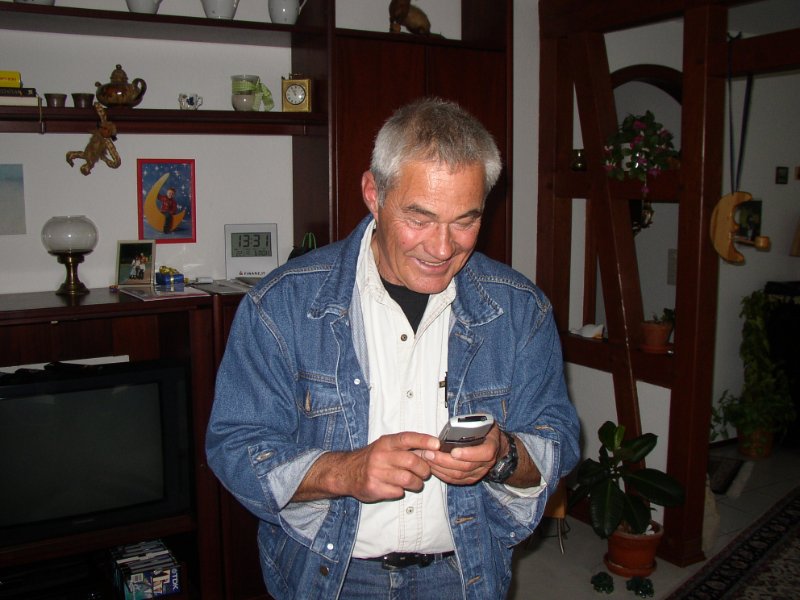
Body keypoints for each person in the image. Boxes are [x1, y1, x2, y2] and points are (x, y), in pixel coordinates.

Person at [206, 97, 580, 600]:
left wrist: (503, 455)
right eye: (420, 218)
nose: (442, 248)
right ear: (373, 193)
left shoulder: (521, 310)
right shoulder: (281, 305)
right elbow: (234, 446)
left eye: (465, 221)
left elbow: (558, 440)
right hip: (329, 576)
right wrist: (345, 471)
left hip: (464, 575)